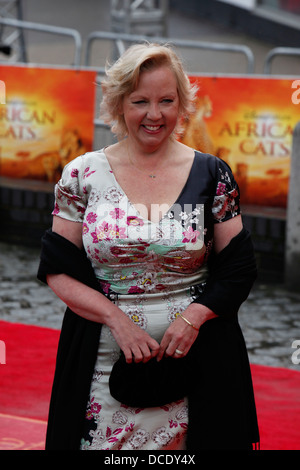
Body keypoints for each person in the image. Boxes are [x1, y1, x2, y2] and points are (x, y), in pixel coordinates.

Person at [38, 42, 259, 451]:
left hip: (200, 361)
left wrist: (194, 317)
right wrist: (117, 321)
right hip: (100, 362)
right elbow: (58, 269)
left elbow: (238, 270)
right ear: (119, 103)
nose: (154, 115)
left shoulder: (214, 174)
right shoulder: (81, 174)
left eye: (166, 101)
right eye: (140, 101)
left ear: (182, 104)